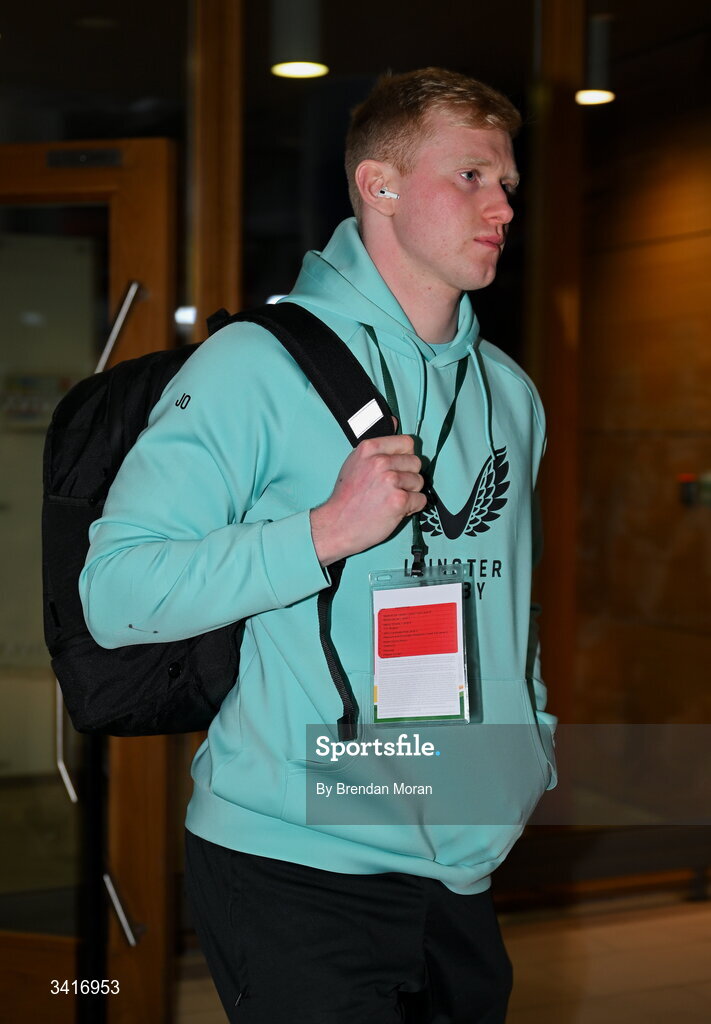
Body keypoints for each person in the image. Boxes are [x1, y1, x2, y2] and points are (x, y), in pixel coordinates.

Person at [80, 67, 556, 1024]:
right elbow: (116, 591)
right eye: (470, 176)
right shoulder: (255, 368)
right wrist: (327, 531)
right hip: (292, 861)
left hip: (458, 866)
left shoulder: (508, 391)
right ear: (379, 185)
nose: (502, 206)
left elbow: (507, 604)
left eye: (506, 182)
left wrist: (525, 752)